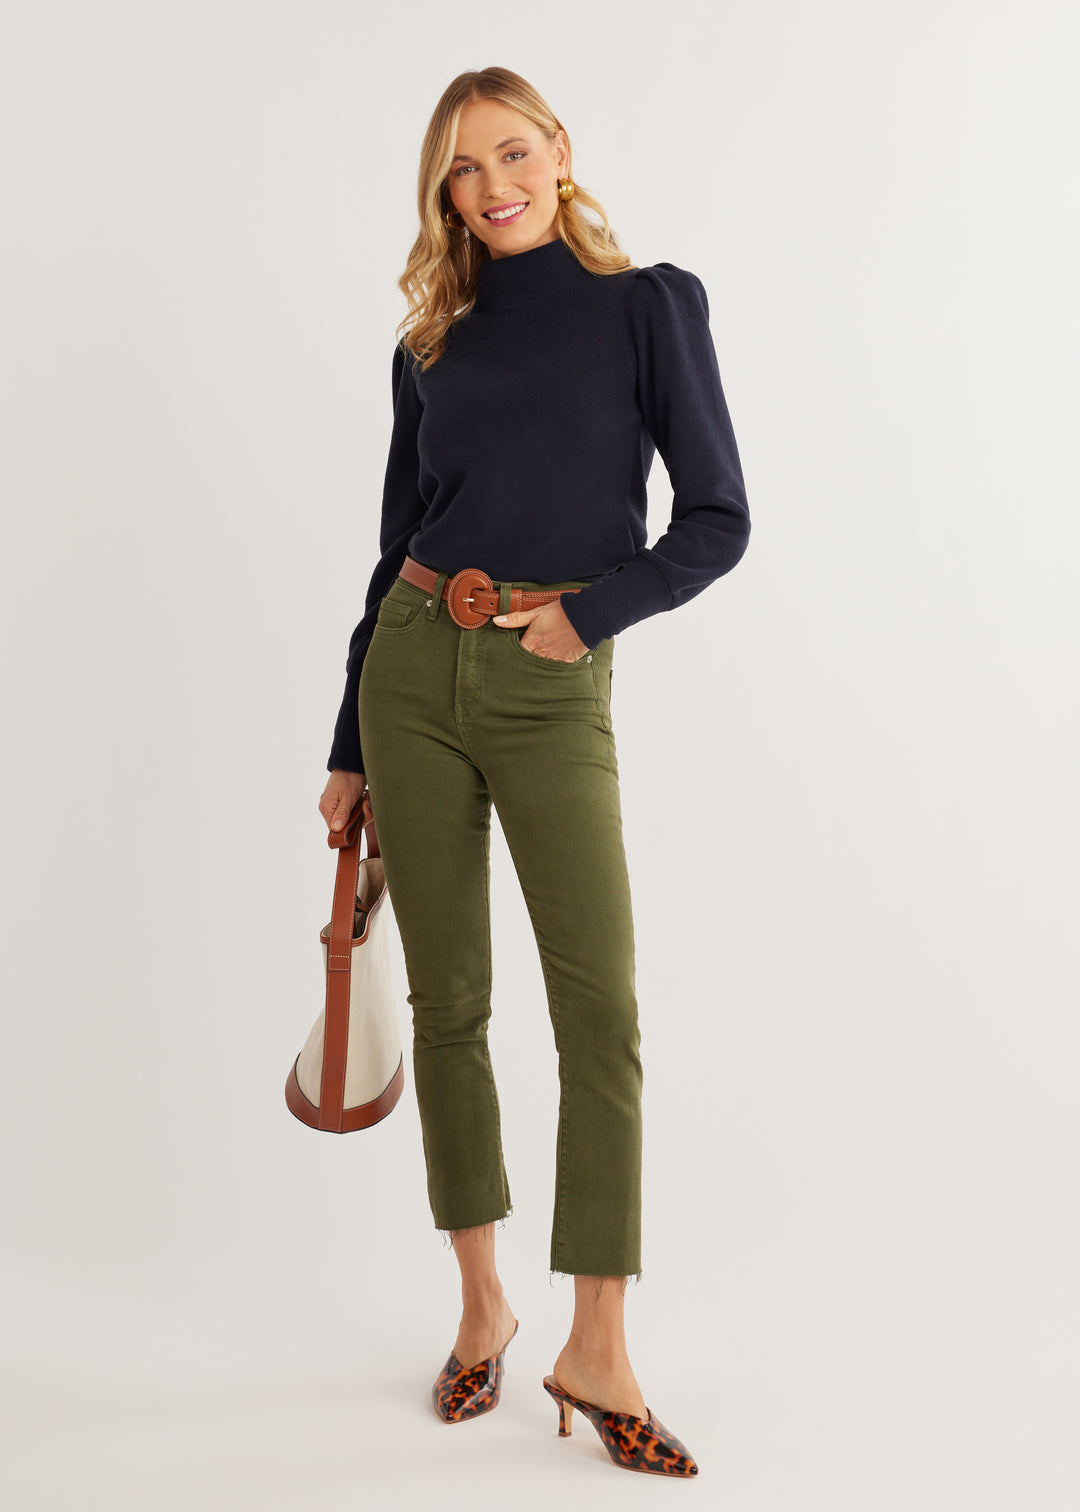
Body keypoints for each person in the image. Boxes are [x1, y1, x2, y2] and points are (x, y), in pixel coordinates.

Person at [318, 66, 750, 1478]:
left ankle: (599, 1343)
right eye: (462, 167)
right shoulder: (430, 344)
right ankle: (482, 1307)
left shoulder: (649, 307)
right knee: (450, 1009)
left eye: (511, 152)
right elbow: (396, 546)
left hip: (551, 678)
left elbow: (718, 519)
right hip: (410, 674)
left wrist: (587, 616)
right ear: (442, 192)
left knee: (599, 1015)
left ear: (560, 151)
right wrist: (348, 745)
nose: (491, 184)